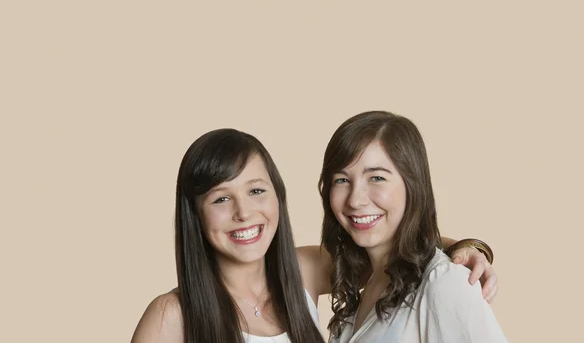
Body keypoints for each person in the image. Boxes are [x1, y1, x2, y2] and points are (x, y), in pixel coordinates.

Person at [131, 127, 499, 343]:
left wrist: (466, 248)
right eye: (221, 198)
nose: (243, 213)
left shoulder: (300, 273)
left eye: (257, 190)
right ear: (194, 214)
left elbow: (388, 243)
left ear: (278, 196)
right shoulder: (171, 316)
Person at [319, 111, 506, 342]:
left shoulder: (445, 283)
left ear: (412, 185)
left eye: (376, 178)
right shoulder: (362, 286)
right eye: (342, 180)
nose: (355, 200)